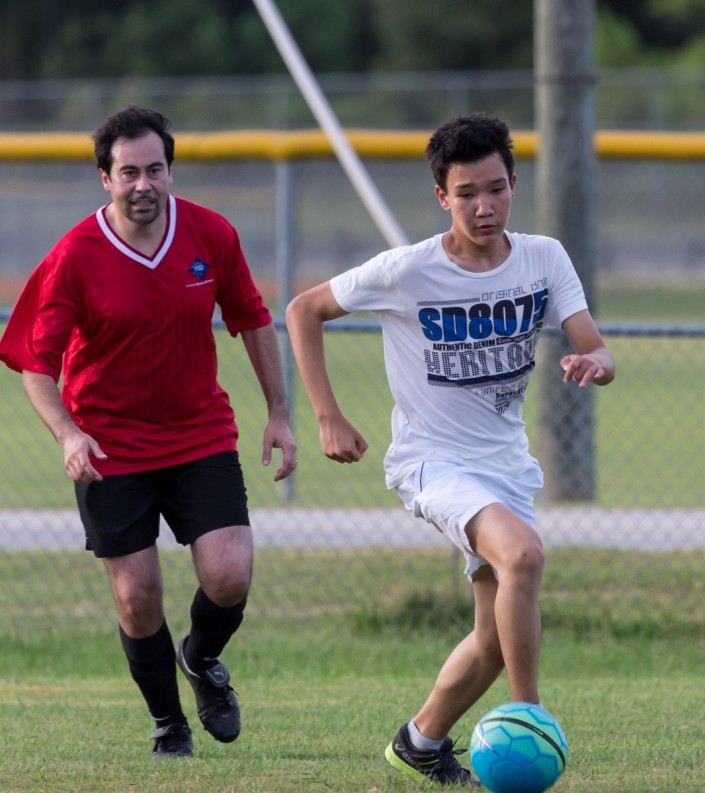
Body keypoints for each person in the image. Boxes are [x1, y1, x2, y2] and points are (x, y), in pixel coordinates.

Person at [285, 113, 615, 786]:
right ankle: (529, 717)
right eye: (466, 193)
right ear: (442, 196)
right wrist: (326, 416)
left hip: (505, 466)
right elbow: (302, 309)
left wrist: (595, 362)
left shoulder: (544, 258)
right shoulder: (408, 270)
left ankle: (419, 741)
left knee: (493, 639)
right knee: (523, 554)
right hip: (431, 462)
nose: (483, 206)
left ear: (514, 184)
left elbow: (595, 346)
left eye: (495, 189)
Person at [0, 106, 297, 759]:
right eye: (128, 172)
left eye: (155, 170)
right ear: (104, 178)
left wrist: (279, 411)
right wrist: (68, 435)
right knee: (137, 595)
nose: (143, 184)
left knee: (229, 575)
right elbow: (35, 366)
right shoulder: (76, 255)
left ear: (170, 171)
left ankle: (200, 657)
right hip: (109, 446)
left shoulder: (210, 232)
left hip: (198, 432)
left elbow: (252, 319)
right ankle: (169, 723)